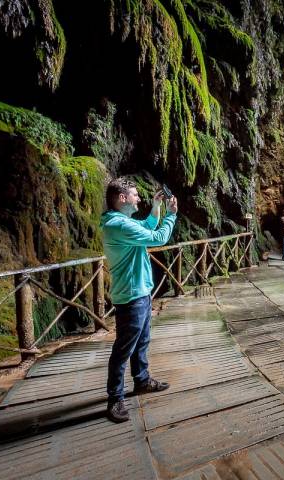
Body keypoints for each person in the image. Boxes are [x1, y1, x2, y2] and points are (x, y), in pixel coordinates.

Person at [100, 178, 178, 423]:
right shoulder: (119, 226)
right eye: (135, 195)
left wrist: (157, 206)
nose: (139, 198)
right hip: (131, 296)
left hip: (140, 292)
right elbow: (157, 238)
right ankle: (115, 399)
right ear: (122, 198)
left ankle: (142, 381)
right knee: (123, 349)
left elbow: (146, 226)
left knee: (142, 341)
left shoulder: (123, 222)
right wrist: (171, 215)